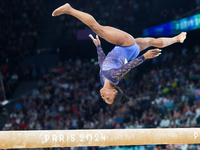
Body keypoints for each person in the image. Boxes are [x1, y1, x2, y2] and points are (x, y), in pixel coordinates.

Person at [52, 3, 187, 105]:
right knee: (97, 28)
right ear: (114, 91)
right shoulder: (114, 78)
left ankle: (177, 38)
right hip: (126, 45)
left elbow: (102, 64)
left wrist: (98, 47)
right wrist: (145, 56)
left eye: (105, 99)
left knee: (152, 41)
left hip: (130, 52)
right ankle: (69, 9)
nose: (103, 96)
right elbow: (128, 67)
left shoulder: (103, 80)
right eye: (108, 97)